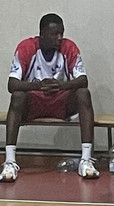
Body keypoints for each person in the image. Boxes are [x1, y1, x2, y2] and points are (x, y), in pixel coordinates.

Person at [1, 14, 99, 181]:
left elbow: (83, 80)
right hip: (34, 102)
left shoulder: (69, 48)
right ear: (42, 34)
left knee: (83, 93)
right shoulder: (26, 48)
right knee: (17, 97)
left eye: (61, 33)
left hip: (60, 101)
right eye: (54, 34)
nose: (59, 38)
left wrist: (59, 85)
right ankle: (9, 162)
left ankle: (86, 160)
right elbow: (12, 85)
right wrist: (39, 85)